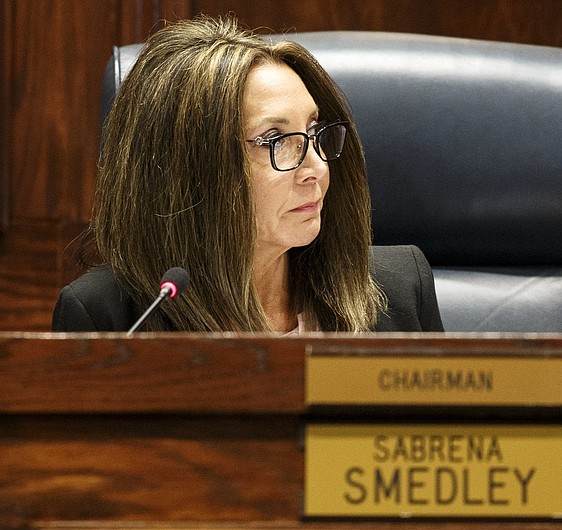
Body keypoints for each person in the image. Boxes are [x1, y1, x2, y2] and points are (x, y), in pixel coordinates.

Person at [52, 16, 443, 333]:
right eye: (275, 139)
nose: (317, 169)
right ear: (191, 169)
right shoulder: (109, 318)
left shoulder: (399, 289)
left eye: (312, 132)